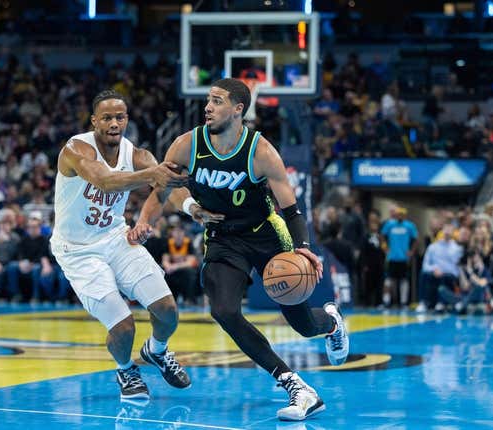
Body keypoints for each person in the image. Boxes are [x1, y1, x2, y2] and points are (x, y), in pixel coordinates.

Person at [128, 78, 349, 421]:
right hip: (222, 239)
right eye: (208, 100)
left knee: (303, 325)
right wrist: (146, 222)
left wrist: (303, 248)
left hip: (266, 235)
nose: (208, 107)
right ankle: (296, 386)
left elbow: (290, 208)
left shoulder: (261, 152)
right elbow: (160, 190)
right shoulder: (187, 145)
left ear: (238, 109)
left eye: (217, 101)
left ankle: (330, 322)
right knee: (224, 310)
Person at [49, 89, 195, 403]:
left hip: (116, 238)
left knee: (167, 311)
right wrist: (151, 174)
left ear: (126, 119)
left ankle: (156, 351)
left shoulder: (137, 154)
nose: (114, 123)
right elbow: (103, 180)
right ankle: (126, 368)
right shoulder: (76, 149)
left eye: (120, 117)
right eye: (107, 118)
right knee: (123, 325)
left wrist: (193, 209)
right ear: (94, 121)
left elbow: (166, 186)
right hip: (77, 251)